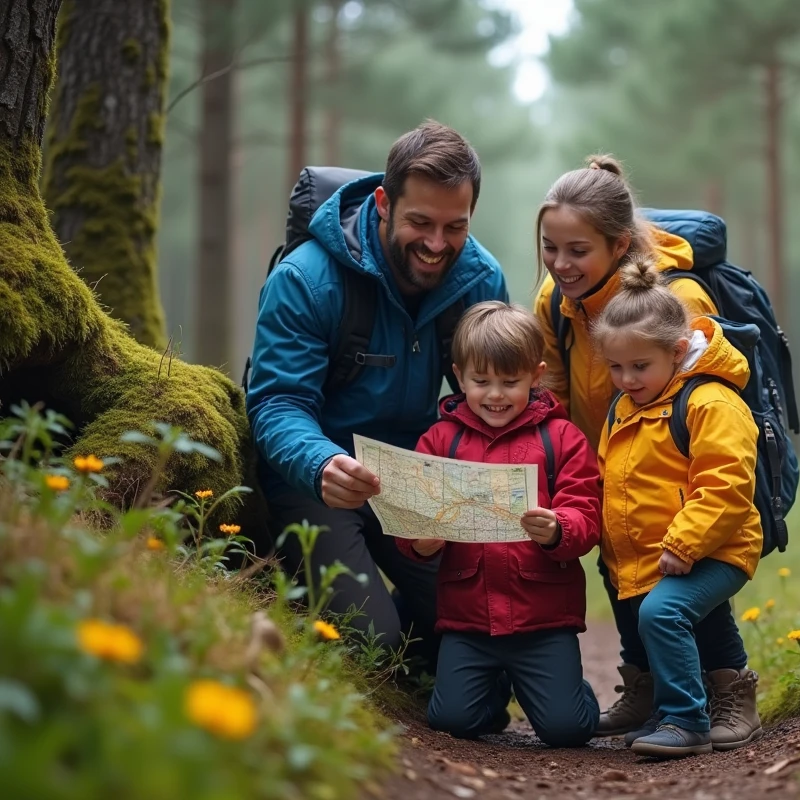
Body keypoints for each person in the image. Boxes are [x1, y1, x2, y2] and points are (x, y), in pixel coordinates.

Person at [246, 121, 508, 669]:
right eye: (420, 222)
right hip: (319, 477)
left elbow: (500, 396)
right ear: (384, 203)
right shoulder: (306, 279)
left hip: (417, 478)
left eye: (454, 227)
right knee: (375, 643)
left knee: (484, 623)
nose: (437, 245)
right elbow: (277, 402)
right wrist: (320, 463)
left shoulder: (480, 281)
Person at [532, 155, 759, 743]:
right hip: (606, 466)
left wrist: (686, 512)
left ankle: (724, 693)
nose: (561, 264)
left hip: (676, 474)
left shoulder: (676, 297)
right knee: (626, 582)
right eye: (550, 248)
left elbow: (702, 382)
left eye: (577, 250)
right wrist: (563, 463)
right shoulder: (554, 301)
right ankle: (648, 690)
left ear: (619, 244)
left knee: (684, 595)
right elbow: (553, 386)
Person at [397, 301, 602, 747]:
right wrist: (422, 541)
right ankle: (492, 695)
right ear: (459, 374)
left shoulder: (561, 437)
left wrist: (558, 529)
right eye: (480, 381)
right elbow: (410, 524)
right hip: (468, 622)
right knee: (453, 720)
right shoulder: (440, 440)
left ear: (536, 374)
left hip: (544, 619)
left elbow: (586, 513)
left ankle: (571, 694)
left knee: (567, 729)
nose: (495, 395)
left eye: (510, 383)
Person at [593, 258, 762, 757]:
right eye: (616, 367)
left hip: (716, 543)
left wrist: (684, 542)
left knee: (663, 614)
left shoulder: (710, 402)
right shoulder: (626, 405)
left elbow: (727, 483)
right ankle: (683, 703)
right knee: (688, 621)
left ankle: (688, 718)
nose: (626, 379)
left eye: (639, 366)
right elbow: (613, 477)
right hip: (659, 549)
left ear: (678, 349)